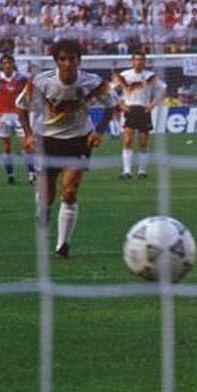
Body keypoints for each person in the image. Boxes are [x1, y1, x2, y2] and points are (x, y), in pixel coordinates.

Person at [16, 38, 119, 258]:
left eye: (72, 58)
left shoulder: (92, 82)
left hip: (78, 139)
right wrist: (27, 134)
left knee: (70, 190)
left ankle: (63, 244)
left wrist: (99, 131)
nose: (67, 63)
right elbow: (21, 107)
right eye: (62, 59)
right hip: (47, 138)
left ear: (79, 60)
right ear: (56, 61)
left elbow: (111, 105)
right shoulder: (41, 82)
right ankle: (43, 210)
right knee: (47, 195)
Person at [0, 53, 37, 185]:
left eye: (9, 63)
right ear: (1, 65)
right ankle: (10, 175)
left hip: (20, 116)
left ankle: (32, 175)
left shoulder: (21, 79)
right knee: (6, 147)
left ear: (13, 64)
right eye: (4, 63)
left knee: (28, 145)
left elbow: (30, 92)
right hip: (3, 116)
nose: (7, 65)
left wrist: (30, 104)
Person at [115, 50, 161, 180]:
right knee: (128, 140)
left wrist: (152, 105)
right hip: (130, 109)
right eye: (137, 59)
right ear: (132, 61)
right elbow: (111, 91)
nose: (139, 62)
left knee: (143, 142)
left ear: (145, 62)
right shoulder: (125, 75)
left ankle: (142, 171)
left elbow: (163, 89)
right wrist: (120, 104)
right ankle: (127, 171)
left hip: (144, 110)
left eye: (141, 59)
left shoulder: (150, 76)